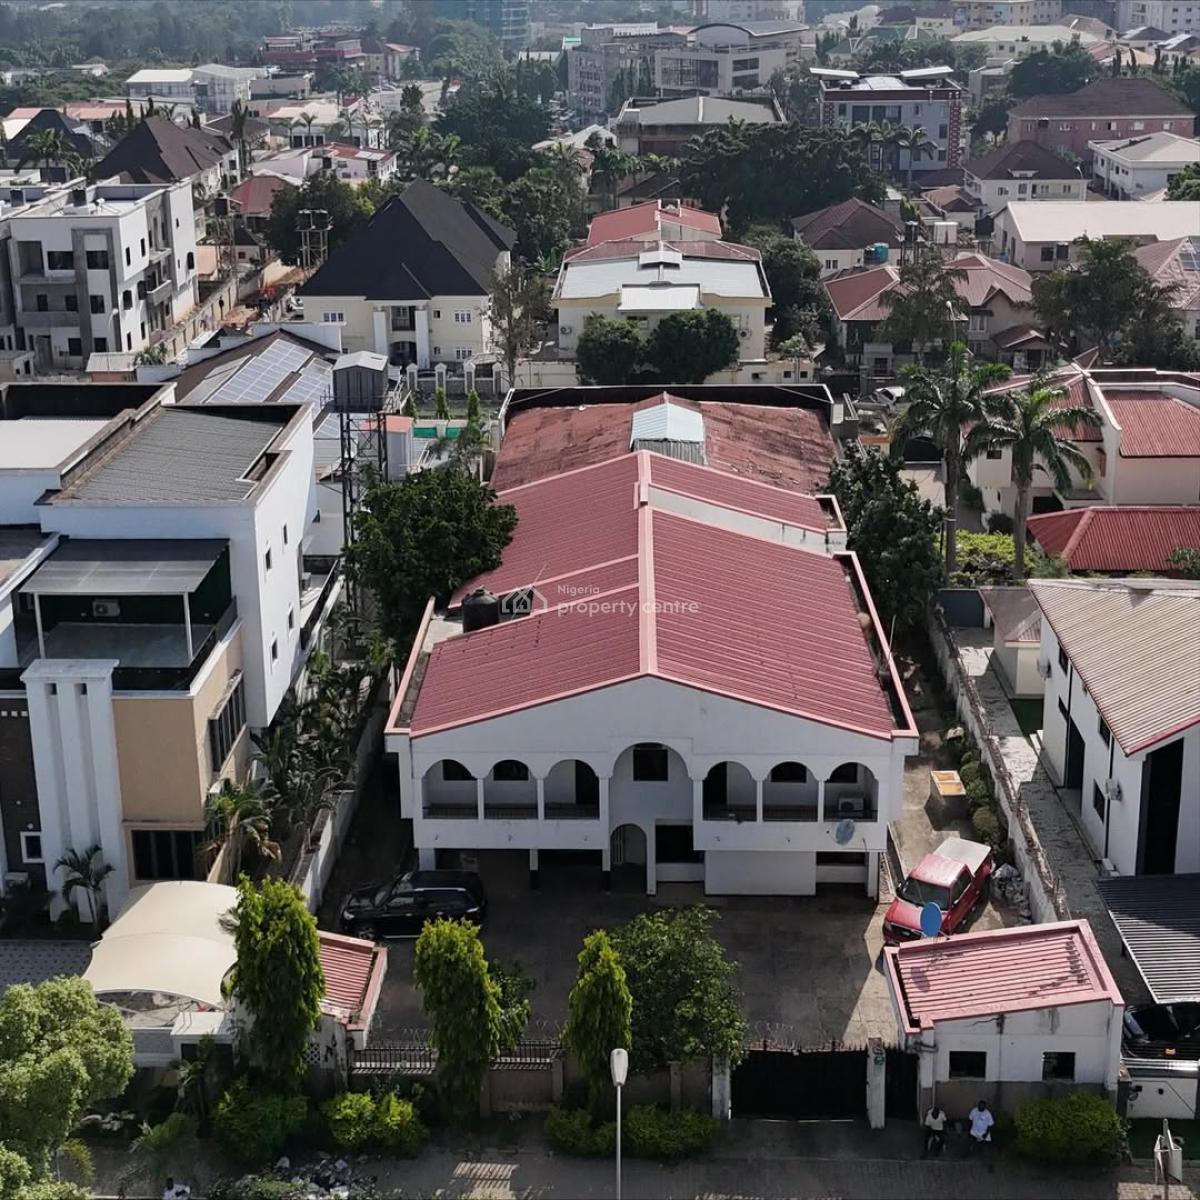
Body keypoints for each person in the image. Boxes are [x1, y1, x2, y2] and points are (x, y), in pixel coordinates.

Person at [968, 1099, 995, 1170]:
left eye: (982, 1106)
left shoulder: (988, 1114)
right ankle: (967, 1154)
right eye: (979, 1106)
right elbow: (970, 1120)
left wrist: (986, 1134)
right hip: (974, 1132)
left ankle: (990, 1165)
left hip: (984, 1134)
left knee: (986, 1150)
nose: (980, 1107)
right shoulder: (974, 1111)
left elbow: (990, 1125)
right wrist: (971, 1130)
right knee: (970, 1143)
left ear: (985, 1107)